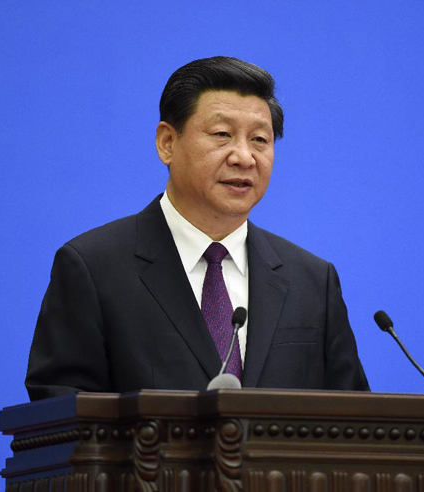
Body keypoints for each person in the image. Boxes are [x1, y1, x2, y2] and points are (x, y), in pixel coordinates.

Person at [25, 56, 369, 400]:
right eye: (222, 135)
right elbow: (62, 418)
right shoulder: (93, 268)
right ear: (167, 143)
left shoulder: (312, 280)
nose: (244, 157)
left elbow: (354, 424)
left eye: (260, 140)